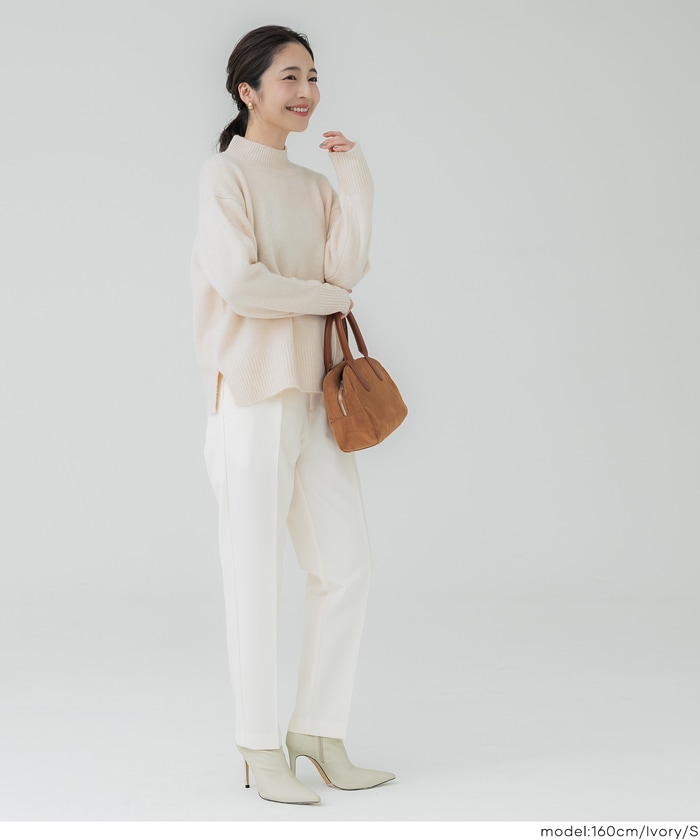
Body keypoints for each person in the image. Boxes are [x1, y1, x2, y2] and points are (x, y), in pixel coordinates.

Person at [190, 25, 395, 805]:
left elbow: (346, 269)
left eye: (312, 75)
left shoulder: (313, 185)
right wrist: (324, 296)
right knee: (254, 572)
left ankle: (318, 730)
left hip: (317, 398)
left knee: (346, 565)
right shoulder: (223, 174)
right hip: (250, 398)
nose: (306, 91)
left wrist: (355, 178)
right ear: (247, 90)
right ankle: (258, 744)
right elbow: (242, 285)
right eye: (289, 77)